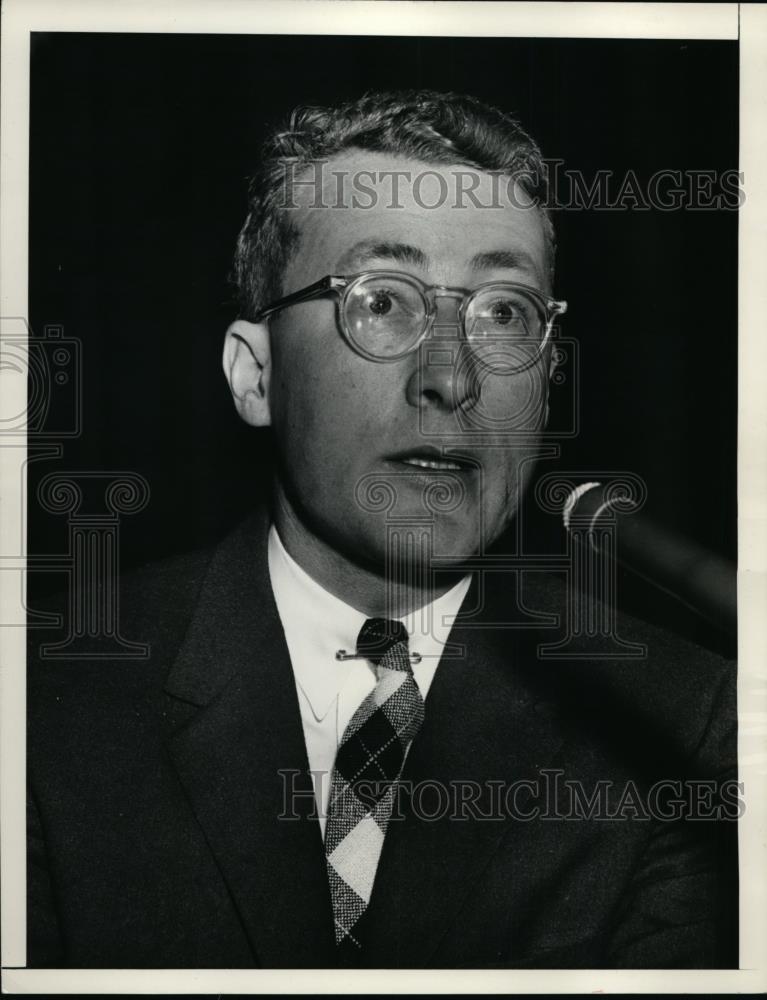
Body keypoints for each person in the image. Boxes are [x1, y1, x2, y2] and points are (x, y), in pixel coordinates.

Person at [27, 90, 737, 969]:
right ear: (255, 376)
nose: (452, 378)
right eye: (382, 302)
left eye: (504, 311)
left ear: (548, 378)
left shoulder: (684, 721)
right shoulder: (45, 701)